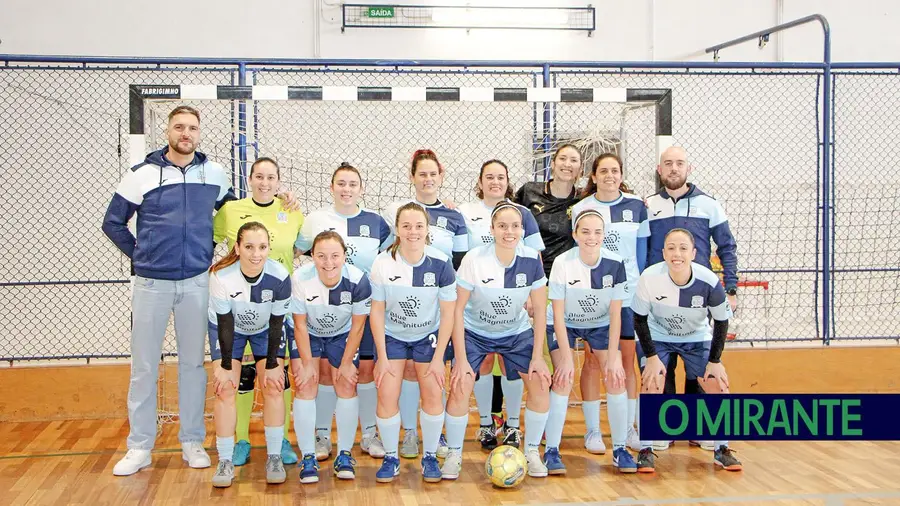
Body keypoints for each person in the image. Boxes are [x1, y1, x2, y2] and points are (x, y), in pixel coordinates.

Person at [103, 105, 235, 476]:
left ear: (199, 133)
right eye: (179, 127)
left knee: (193, 365)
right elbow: (113, 222)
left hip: (196, 281)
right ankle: (139, 446)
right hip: (151, 283)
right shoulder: (141, 174)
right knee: (144, 366)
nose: (186, 133)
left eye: (192, 128)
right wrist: (141, 256)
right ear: (168, 131)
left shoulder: (215, 174)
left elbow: (235, 214)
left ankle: (192, 441)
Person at [443, 202, 552, 480]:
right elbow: (456, 308)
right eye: (502, 226)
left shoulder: (530, 260)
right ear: (491, 229)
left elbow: (540, 309)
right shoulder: (474, 259)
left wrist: (538, 356)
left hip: (515, 333)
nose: (509, 231)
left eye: (515, 226)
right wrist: (462, 359)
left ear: (522, 230)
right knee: (460, 383)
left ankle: (530, 452)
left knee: (540, 381)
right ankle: (454, 453)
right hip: (474, 332)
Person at [295, 163, 392, 462]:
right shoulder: (315, 220)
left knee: (363, 372)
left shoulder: (377, 222)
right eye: (341, 183)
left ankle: (369, 433)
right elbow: (295, 251)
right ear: (331, 187)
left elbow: (392, 255)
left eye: (352, 184)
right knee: (324, 373)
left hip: (363, 308)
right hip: (325, 309)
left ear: (361, 189)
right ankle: (322, 434)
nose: (346, 189)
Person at [212, 157, 304, 467]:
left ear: (279, 182)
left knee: (278, 377)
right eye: (259, 176)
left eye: (271, 177)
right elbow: (207, 241)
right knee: (240, 376)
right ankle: (240, 439)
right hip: (237, 306)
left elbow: (302, 249)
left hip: (277, 306)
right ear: (249, 179)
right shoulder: (231, 211)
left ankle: (281, 442)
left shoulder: (291, 213)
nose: (265, 182)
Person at [645, 146, 738, 451]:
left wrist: (731, 288)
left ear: (689, 168)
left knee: (698, 360)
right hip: (659, 297)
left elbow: (726, 246)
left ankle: (698, 428)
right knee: (663, 362)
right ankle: (667, 427)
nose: (674, 168)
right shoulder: (648, 205)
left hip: (699, 296)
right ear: (659, 170)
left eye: (679, 163)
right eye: (668, 163)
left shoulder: (709, 204)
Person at [632, 228, 742, 473]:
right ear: (663, 252)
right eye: (671, 248)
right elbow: (638, 319)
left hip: (696, 338)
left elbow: (722, 321)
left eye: (683, 248)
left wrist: (714, 361)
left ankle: (721, 448)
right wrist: (650, 357)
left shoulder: (709, 281)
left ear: (694, 253)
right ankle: (646, 449)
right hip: (658, 337)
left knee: (718, 383)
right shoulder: (650, 277)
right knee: (652, 380)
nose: (677, 253)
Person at [381, 149, 466, 459]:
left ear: (441, 177)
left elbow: (460, 263)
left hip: (436, 306)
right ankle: (407, 433)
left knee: (431, 372)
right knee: (403, 374)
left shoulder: (456, 216)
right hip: (401, 306)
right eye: (422, 174)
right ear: (412, 177)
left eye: (433, 173)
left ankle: (434, 433)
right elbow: (386, 250)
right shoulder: (396, 211)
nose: (428, 179)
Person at [459, 159, 545, 450]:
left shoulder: (524, 222)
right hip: (479, 303)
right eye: (489, 177)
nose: (495, 181)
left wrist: (532, 300)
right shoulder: (467, 214)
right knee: (480, 366)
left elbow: (535, 264)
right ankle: (486, 423)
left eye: (501, 177)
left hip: (514, 313)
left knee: (515, 369)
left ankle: (512, 426)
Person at [369, 202, 457, 483]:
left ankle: (429, 455)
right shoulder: (383, 262)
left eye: (419, 226)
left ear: (427, 230)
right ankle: (391, 457)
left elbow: (448, 313)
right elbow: (377, 311)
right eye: (406, 226)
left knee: (432, 393)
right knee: (386, 393)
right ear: (397, 229)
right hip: (393, 337)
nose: (412, 231)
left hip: (428, 337)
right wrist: (381, 356)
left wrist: (438, 357)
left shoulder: (441, 262)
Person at [545, 209, 637, 474]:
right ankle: (552, 450)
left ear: (604, 235)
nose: (591, 237)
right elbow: (559, 315)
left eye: (597, 232)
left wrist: (612, 357)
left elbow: (615, 313)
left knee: (617, 376)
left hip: (600, 324)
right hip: (565, 323)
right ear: (574, 234)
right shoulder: (563, 263)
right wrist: (565, 357)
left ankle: (619, 449)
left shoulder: (615, 263)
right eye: (585, 231)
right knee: (563, 378)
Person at [570, 153, 648, 452]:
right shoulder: (581, 209)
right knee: (592, 360)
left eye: (615, 171)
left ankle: (628, 429)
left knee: (626, 361)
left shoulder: (637, 205)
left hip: (627, 294)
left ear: (621, 174)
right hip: (592, 295)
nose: (609, 176)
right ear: (593, 176)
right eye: (603, 171)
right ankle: (593, 431)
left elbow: (642, 251)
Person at [207, 222, 293, 487]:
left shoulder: (279, 276)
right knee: (225, 387)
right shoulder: (221, 275)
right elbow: (224, 323)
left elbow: (278, 323)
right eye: (249, 247)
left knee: (274, 386)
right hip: (230, 328)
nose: (256, 253)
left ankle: (275, 455)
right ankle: (224, 460)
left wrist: (273, 365)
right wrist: (223, 365)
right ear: (237, 247)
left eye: (263, 247)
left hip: (266, 330)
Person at [290, 231, 373, 484]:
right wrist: (306, 365)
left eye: (335, 256)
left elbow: (358, 326)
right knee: (305, 384)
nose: (329, 263)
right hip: (310, 334)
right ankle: (308, 457)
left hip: (343, 334)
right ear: (312, 256)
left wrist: (347, 364)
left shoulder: (358, 280)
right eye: (322, 256)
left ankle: (345, 454)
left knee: (347, 383)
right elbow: (300, 326)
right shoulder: (300, 279)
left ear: (344, 257)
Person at [514, 143, 585, 275]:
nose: (567, 164)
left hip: (566, 275)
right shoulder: (529, 191)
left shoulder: (583, 200)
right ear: (552, 164)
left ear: (580, 169)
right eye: (562, 158)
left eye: (573, 160)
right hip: (530, 272)